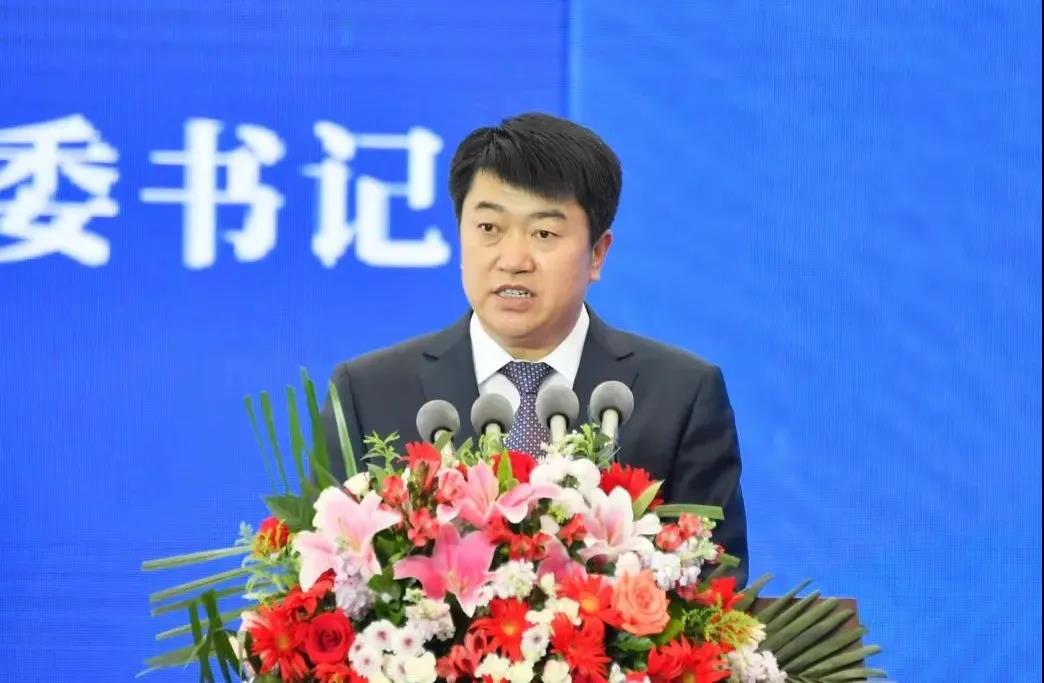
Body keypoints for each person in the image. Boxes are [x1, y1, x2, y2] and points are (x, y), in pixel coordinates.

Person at [320, 112, 748, 582]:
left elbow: (715, 588)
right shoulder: (369, 393)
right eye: (489, 228)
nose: (513, 260)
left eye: (544, 233)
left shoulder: (680, 396)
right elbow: (332, 581)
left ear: (597, 254)